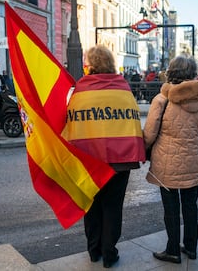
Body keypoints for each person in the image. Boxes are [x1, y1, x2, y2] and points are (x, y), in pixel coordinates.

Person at [62, 45, 145, 268]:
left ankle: (93, 250)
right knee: (113, 207)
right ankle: (109, 253)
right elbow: (132, 118)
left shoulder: (80, 89)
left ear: (90, 65)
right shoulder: (123, 88)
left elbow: (70, 120)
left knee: (91, 205)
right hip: (120, 159)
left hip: (89, 160)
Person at [143, 55, 198, 264]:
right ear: (192, 73)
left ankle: (172, 249)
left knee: (171, 208)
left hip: (167, 161)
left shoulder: (162, 99)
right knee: (191, 206)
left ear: (171, 72)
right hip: (193, 158)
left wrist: (144, 148)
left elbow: (150, 133)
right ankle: (191, 247)